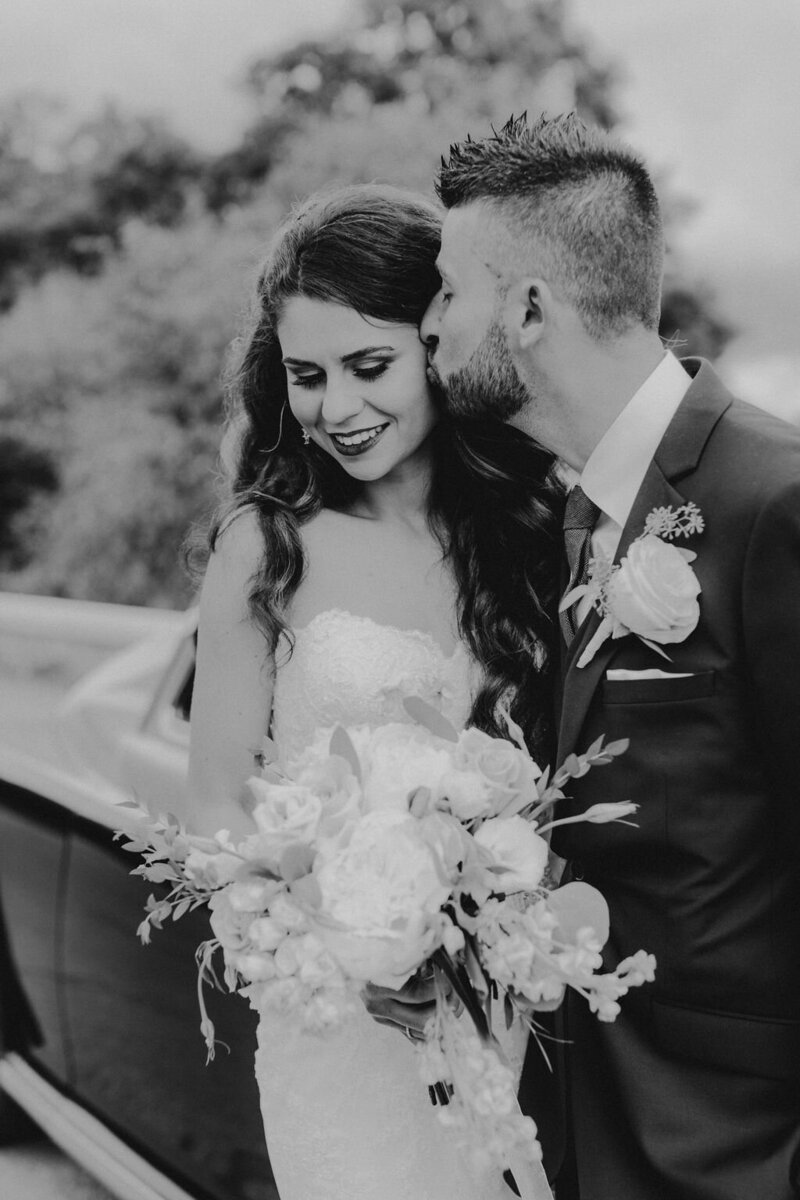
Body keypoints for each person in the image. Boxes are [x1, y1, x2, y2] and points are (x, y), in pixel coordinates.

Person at [420, 111, 800, 1200]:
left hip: (732, 1152)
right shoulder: (574, 519)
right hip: (576, 1140)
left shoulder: (771, 501)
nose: (432, 327)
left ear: (529, 308)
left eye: (451, 290)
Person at [187, 183, 563, 1200]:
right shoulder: (265, 546)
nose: (336, 410)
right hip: (340, 1033)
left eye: (369, 366)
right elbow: (216, 806)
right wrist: (332, 945)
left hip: (507, 1014)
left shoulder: (529, 531)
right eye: (306, 377)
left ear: (439, 341)